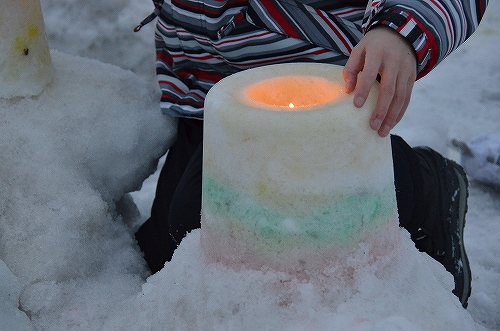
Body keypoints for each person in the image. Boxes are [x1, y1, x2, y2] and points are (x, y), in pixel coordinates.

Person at [134, 0, 488, 309]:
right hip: (214, 96)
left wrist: (402, 31)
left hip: (322, 104)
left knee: (213, 225)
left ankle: (421, 185)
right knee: (171, 250)